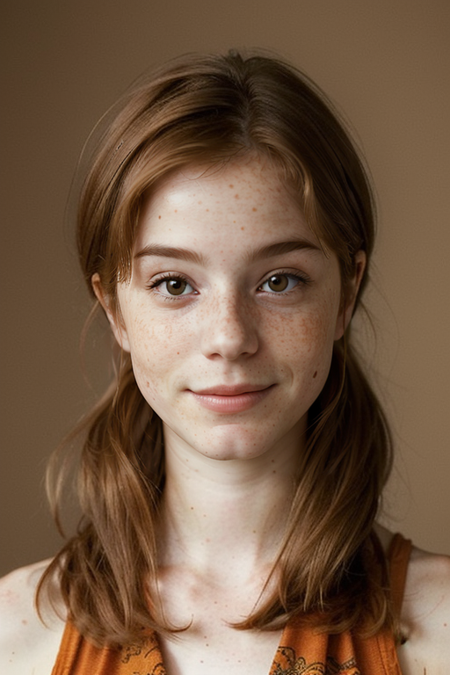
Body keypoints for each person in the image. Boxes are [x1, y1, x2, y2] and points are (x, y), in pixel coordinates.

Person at [0, 50, 449, 675]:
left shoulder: (443, 626)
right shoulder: (14, 634)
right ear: (115, 311)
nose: (230, 338)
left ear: (346, 293)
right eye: (175, 284)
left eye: (279, 280)